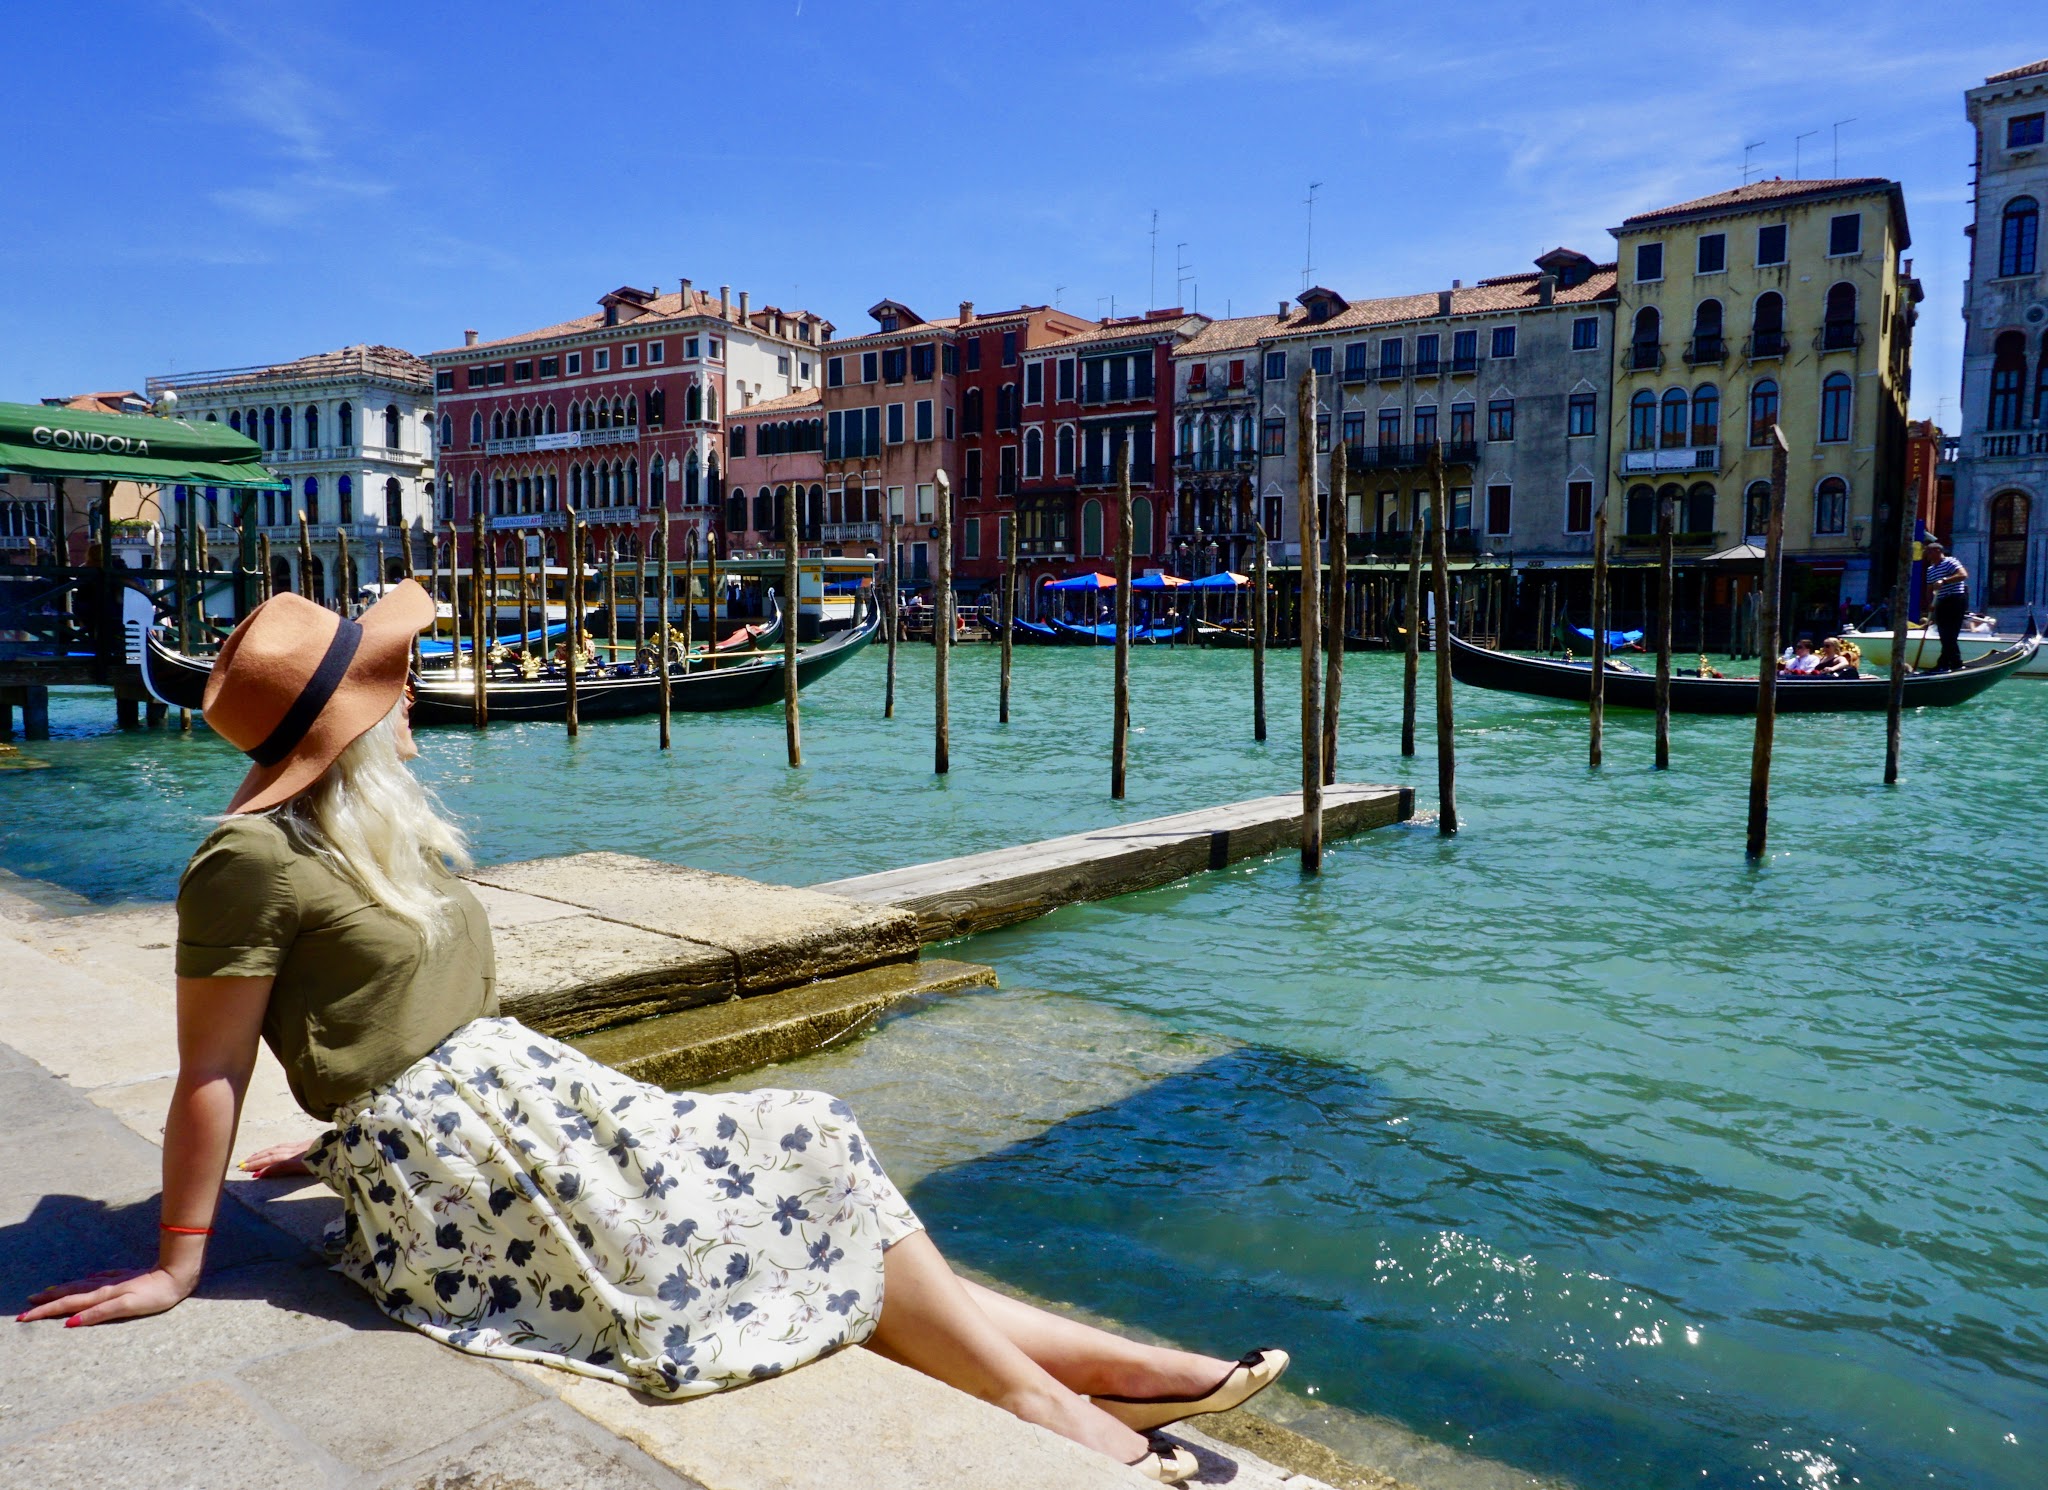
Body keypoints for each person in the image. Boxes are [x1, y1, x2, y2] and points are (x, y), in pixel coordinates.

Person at [14, 582, 1280, 1484]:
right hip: (465, 1156)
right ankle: (1047, 1395)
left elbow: (375, 1013)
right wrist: (183, 1259)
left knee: (797, 1180)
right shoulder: (246, 856)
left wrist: (334, 1142)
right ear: (350, 722)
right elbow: (213, 1067)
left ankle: (1102, 1367)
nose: (412, 703)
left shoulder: (376, 830)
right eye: (392, 687)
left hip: (512, 1103)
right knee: (805, 1138)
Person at [1921, 539, 1970, 672]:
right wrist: (1930, 604)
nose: (1927, 556)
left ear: (1938, 551)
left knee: (1950, 634)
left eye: (1929, 552)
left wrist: (1944, 580)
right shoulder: (1930, 570)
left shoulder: (1951, 562)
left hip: (1956, 600)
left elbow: (1963, 575)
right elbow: (1929, 588)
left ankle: (1954, 664)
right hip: (1941, 602)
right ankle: (1946, 663)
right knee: (1944, 634)